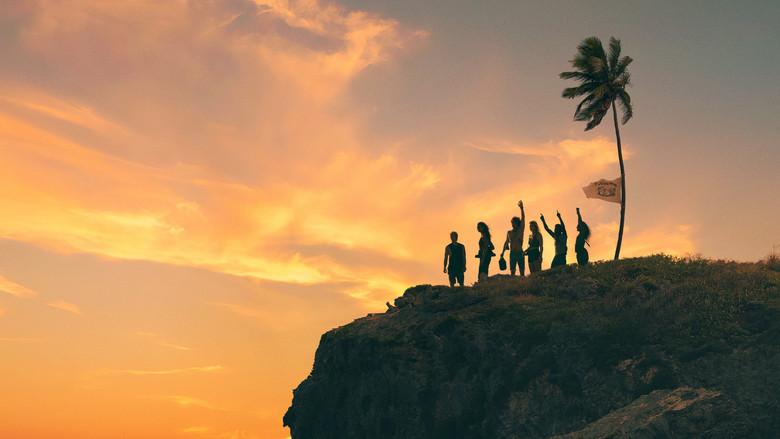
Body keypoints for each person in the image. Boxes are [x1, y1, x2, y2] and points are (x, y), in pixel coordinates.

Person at [501, 200, 526, 276]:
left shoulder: (520, 230)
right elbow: (506, 242)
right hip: (512, 253)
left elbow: (523, 218)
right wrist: (502, 252)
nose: (512, 224)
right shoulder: (509, 232)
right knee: (512, 272)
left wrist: (521, 208)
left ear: (517, 222)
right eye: (512, 222)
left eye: (513, 222)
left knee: (522, 272)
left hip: (520, 252)